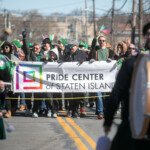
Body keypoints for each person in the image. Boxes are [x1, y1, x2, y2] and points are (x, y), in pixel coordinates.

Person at [103, 22, 150, 150]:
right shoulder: (132, 63)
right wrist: (108, 119)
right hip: (133, 122)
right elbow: (117, 91)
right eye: (148, 34)